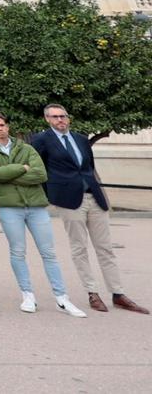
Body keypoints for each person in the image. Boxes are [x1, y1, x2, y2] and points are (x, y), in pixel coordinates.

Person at [32, 103, 146, 315]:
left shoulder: (81, 139)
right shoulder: (40, 140)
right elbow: (39, 169)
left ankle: (118, 293)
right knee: (79, 248)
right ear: (47, 119)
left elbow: (89, 168)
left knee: (105, 248)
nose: (60, 120)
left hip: (94, 197)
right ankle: (92, 292)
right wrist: (52, 195)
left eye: (63, 116)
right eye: (55, 117)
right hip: (68, 201)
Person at [0, 112, 84, 317]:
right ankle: (27, 294)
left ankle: (61, 297)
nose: (0, 128)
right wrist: (22, 168)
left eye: (3, 124)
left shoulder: (25, 147)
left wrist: (9, 173)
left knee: (48, 252)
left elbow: (41, 174)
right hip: (9, 207)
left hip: (36, 206)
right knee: (18, 251)